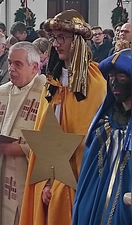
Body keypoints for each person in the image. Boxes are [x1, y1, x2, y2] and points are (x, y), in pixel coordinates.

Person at [19, 9, 107, 225]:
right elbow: (44, 131)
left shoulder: (95, 82)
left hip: (79, 174)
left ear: (77, 41)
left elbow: (90, 137)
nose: (56, 43)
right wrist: (48, 180)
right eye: (54, 38)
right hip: (51, 169)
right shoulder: (51, 83)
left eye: (62, 38)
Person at [0, 42, 46, 225]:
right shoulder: (1, 92)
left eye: (18, 64)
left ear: (35, 67)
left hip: (26, 175)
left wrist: (22, 149)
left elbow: (53, 144)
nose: (11, 69)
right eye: (9, 63)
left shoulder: (47, 94)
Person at [72, 49, 131, 225]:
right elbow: (90, 174)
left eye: (121, 77)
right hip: (99, 201)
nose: (114, 83)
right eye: (111, 77)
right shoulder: (103, 123)